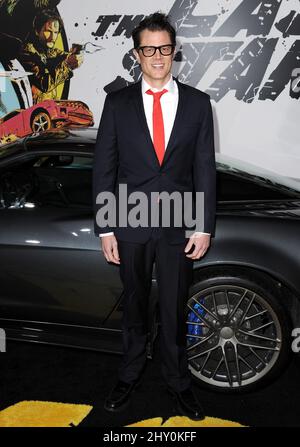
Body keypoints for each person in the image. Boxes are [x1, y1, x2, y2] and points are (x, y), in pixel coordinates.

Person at [93, 12, 216, 420]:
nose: (158, 56)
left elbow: (204, 168)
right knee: (134, 305)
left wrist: (203, 225)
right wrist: (106, 226)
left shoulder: (198, 103)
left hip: (178, 224)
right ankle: (128, 375)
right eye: (149, 49)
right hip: (128, 221)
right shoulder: (118, 102)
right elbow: (104, 168)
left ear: (174, 50)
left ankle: (179, 383)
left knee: (174, 307)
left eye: (165, 48)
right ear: (137, 54)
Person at [19, 9, 83, 104]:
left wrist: (74, 53)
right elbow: (44, 84)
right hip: (31, 112)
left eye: (56, 32)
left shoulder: (50, 51)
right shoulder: (27, 52)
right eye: (48, 31)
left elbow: (59, 55)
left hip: (47, 112)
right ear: (37, 31)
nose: (52, 37)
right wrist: (67, 65)